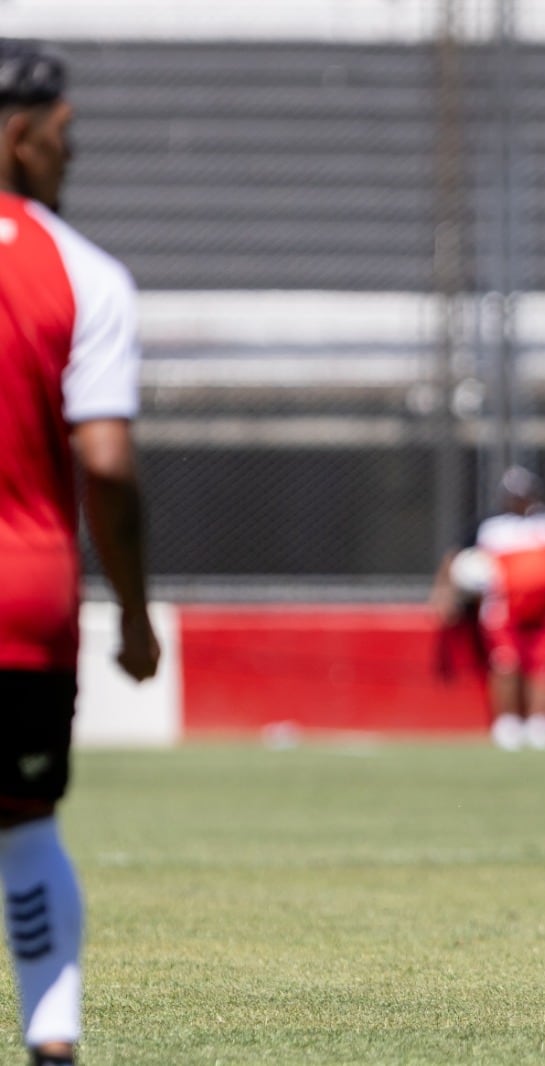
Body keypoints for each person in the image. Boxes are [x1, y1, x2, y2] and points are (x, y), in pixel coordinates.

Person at [0, 40, 160, 1066]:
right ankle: (51, 1039)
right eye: (64, 135)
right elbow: (105, 463)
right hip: (22, 598)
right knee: (23, 823)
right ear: (21, 134)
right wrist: (135, 613)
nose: (74, 153)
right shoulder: (85, 272)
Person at [431, 466, 545, 751]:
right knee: (505, 663)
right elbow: (454, 557)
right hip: (503, 609)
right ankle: (508, 723)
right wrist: (444, 592)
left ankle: (541, 723)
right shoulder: (490, 527)